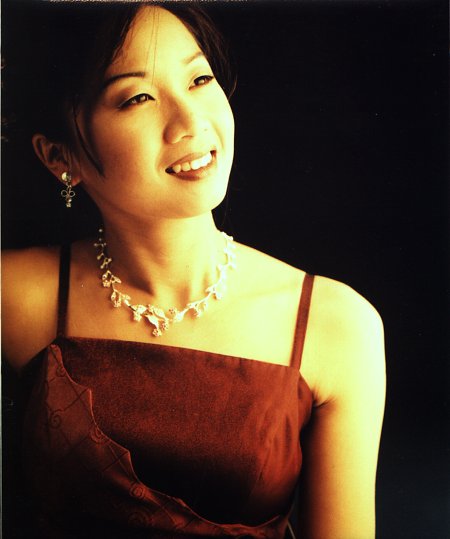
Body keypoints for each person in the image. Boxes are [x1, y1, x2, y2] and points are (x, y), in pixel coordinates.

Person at [1, 2, 385, 538]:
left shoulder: (335, 323)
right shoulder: (17, 295)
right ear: (59, 156)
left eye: (200, 79)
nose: (191, 122)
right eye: (137, 98)